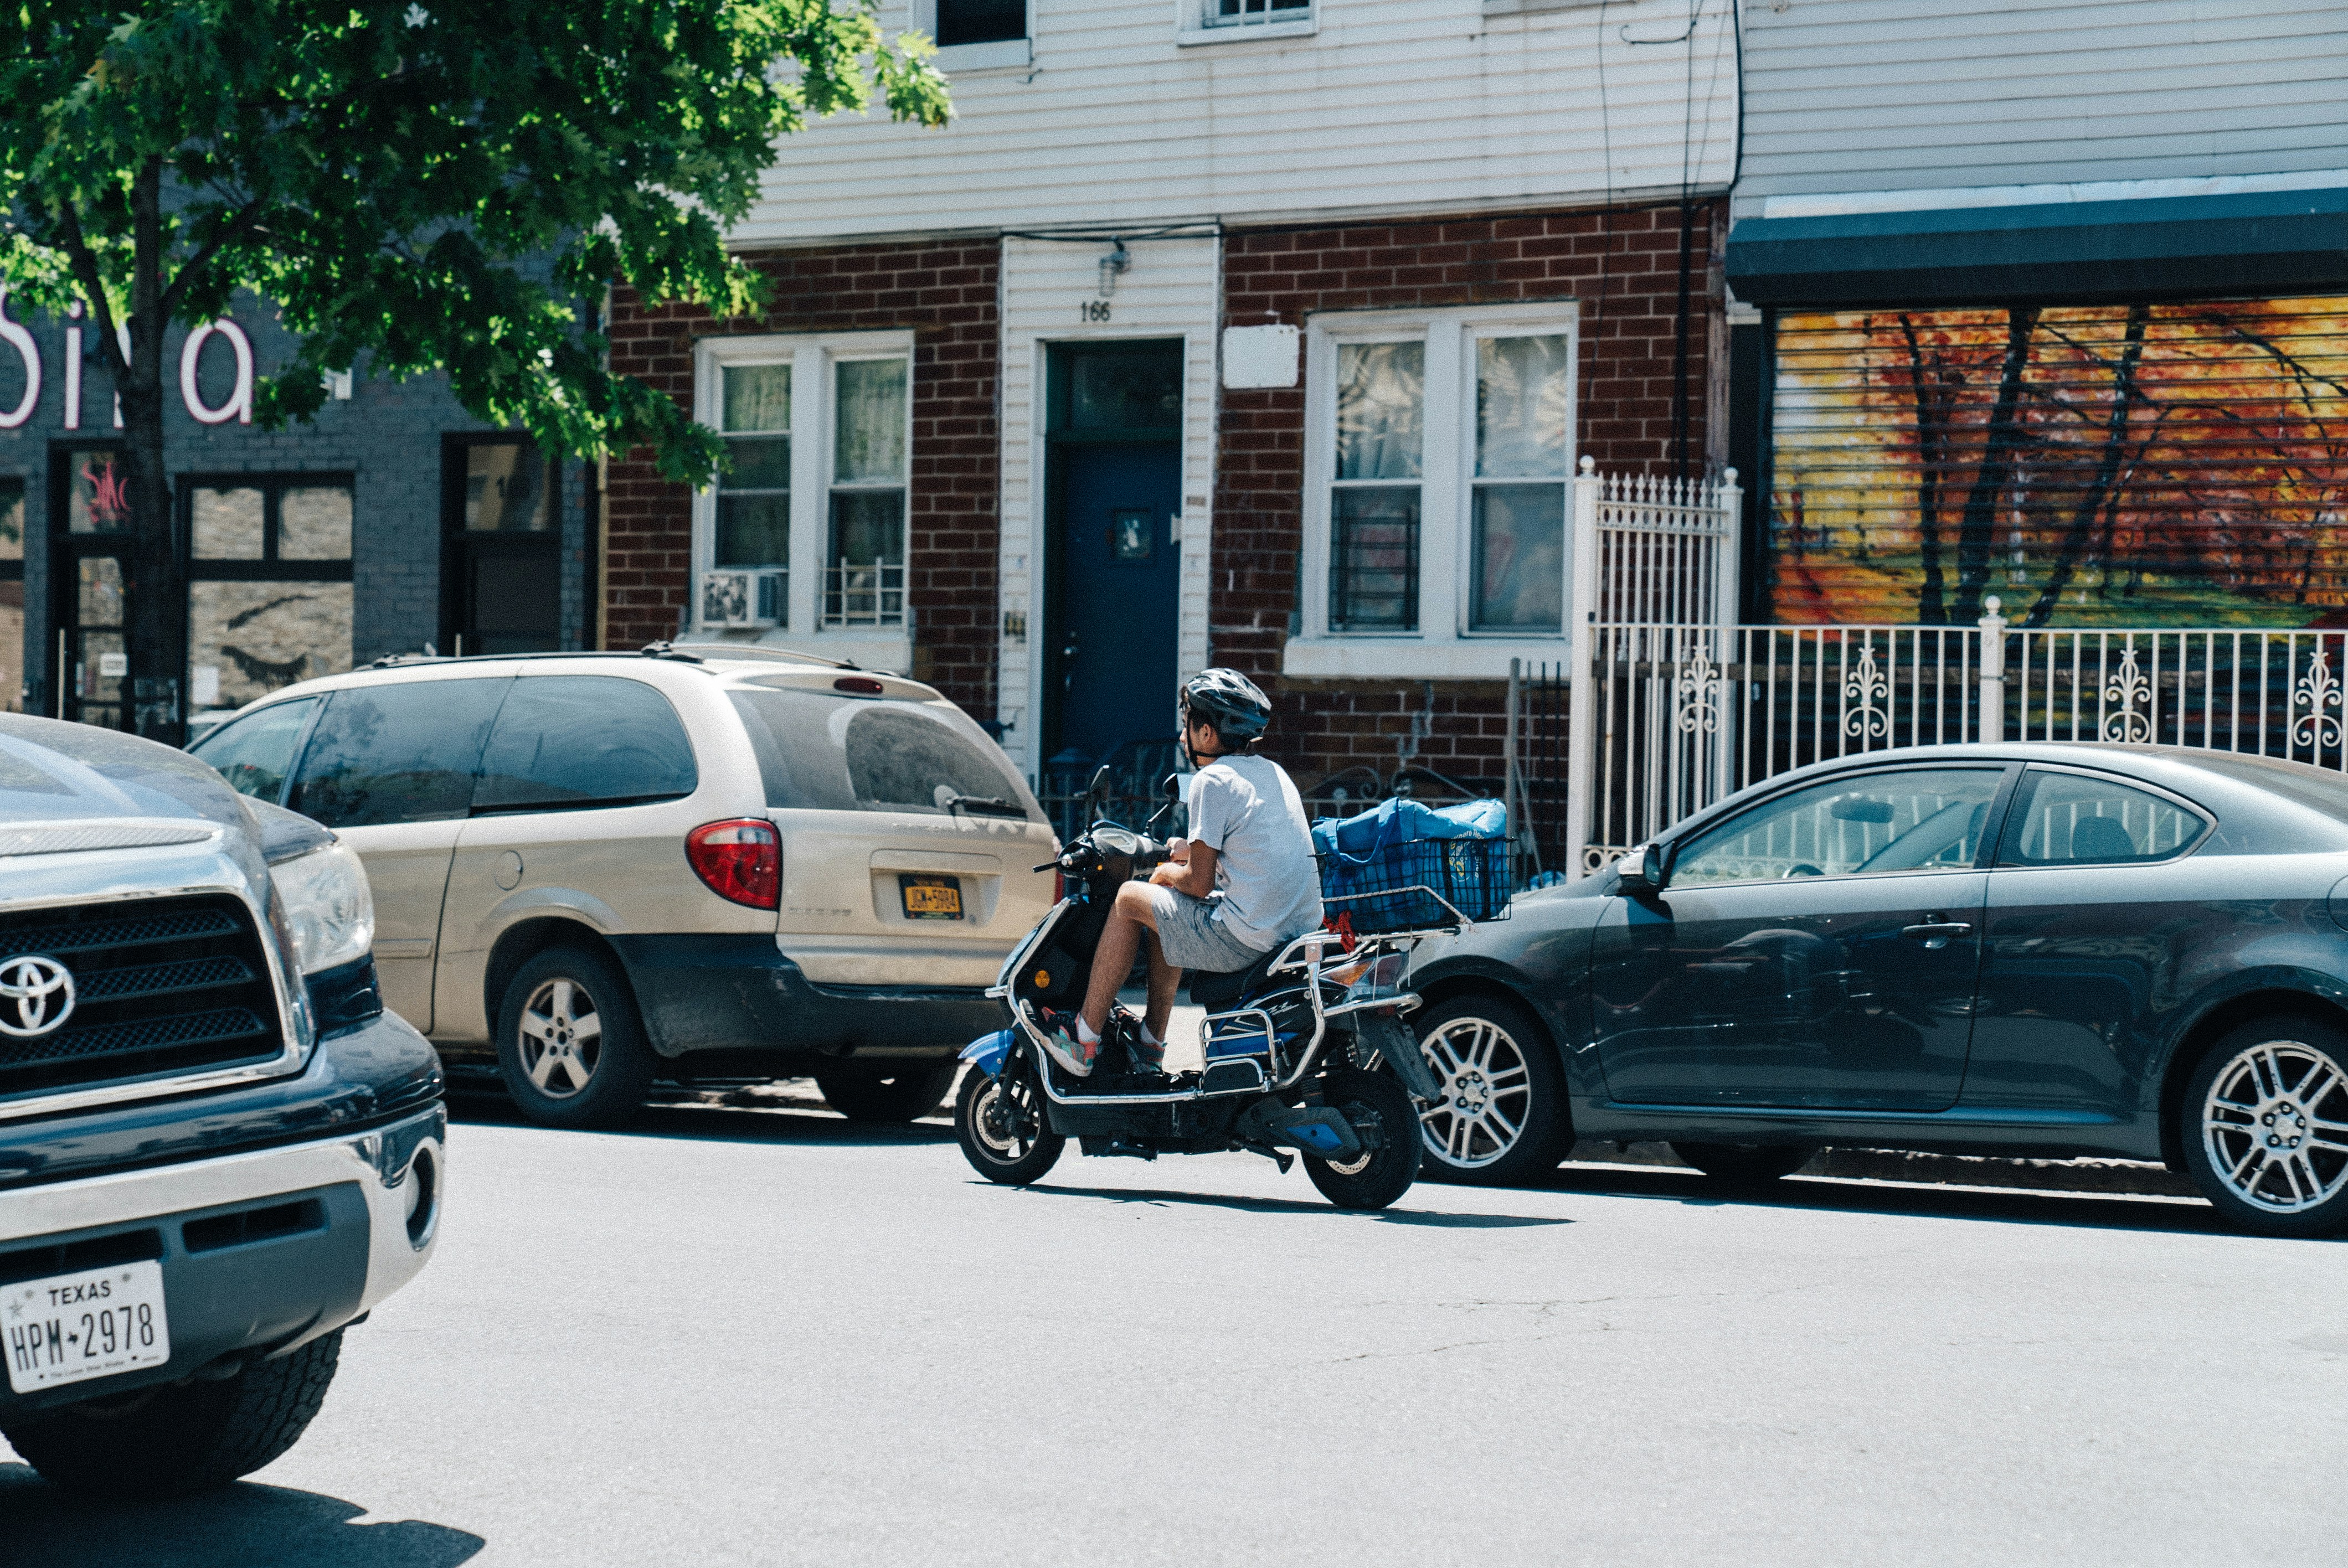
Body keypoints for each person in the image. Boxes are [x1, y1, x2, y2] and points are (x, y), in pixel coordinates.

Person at [1042, 669, 1325, 1078]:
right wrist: (1182, 855)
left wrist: (1163, 872)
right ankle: (1149, 1046)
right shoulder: (1272, 774)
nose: (1182, 736)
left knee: (1129, 899)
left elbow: (1198, 882)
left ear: (1208, 733)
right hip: (1292, 933)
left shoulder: (1212, 781)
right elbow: (1244, 847)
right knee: (1168, 908)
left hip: (1246, 940)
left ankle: (1083, 1039)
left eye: (1187, 724)